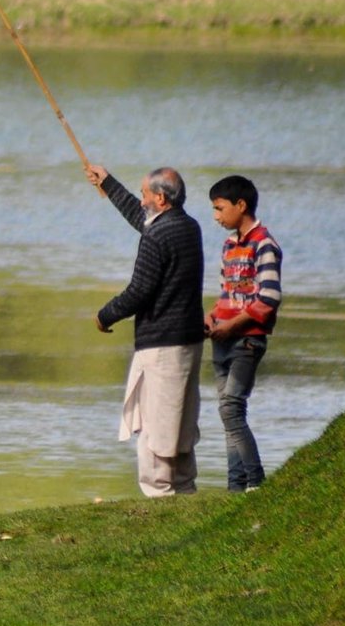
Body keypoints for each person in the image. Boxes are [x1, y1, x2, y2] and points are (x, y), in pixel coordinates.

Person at [84, 164, 207, 497]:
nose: (140, 200)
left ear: (161, 199)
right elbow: (143, 220)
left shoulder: (158, 235)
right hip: (190, 340)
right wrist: (108, 184)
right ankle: (183, 489)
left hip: (163, 344)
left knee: (156, 426)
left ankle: (159, 494)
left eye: (144, 195)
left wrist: (105, 316)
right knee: (180, 420)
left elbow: (139, 290)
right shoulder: (188, 227)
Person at [205, 175, 283, 492]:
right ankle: (235, 488)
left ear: (241, 205)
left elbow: (268, 299)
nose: (215, 216)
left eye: (219, 208)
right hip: (222, 341)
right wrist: (211, 319)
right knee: (229, 413)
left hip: (246, 341)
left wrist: (231, 326)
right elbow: (228, 295)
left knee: (230, 408)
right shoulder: (229, 245)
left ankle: (256, 481)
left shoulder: (264, 244)